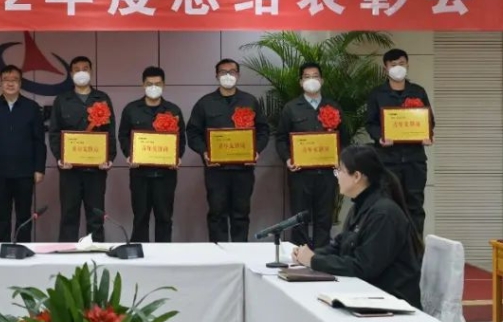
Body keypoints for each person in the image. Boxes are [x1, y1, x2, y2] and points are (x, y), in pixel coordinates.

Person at [292, 145, 423, 308]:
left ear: (356, 176)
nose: (337, 176)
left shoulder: (384, 214)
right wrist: (308, 255)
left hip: (391, 302)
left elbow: (363, 266)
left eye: (340, 171)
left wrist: (314, 261)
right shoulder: (360, 206)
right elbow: (339, 246)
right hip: (366, 294)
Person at [186, 58, 269, 243]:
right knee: (217, 214)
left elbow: (263, 130)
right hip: (216, 171)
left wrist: (256, 150)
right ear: (217, 76)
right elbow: (192, 133)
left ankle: (240, 253)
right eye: (223, 72)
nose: (228, 75)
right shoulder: (205, 103)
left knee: (241, 214)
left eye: (232, 72)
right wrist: (204, 152)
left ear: (238, 75)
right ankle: (219, 253)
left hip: (243, 170)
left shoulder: (249, 101)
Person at [275, 62, 350, 248]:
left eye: (315, 76)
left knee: (324, 218)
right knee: (299, 218)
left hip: (327, 174)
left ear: (322, 80)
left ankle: (321, 257)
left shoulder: (333, 106)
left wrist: (339, 159)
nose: (311, 80)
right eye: (307, 77)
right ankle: (299, 256)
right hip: (300, 174)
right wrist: (288, 159)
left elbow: (345, 138)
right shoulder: (291, 108)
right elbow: (281, 138)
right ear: (301, 82)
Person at [365, 49, 435, 237]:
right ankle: (390, 249)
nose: (398, 68)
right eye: (393, 64)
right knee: (388, 206)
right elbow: (370, 123)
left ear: (408, 65)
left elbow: (429, 120)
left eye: (402, 63)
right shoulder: (377, 94)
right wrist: (380, 137)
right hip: (387, 160)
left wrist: (428, 134)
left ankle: (415, 249)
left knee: (415, 206)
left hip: (414, 160)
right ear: (385, 68)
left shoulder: (418, 92)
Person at [49, 56, 116, 242]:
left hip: (96, 170)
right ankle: (67, 254)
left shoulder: (102, 98)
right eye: (77, 69)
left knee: (96, 216)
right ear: (71, 73)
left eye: (85, 69)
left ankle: (96, 253)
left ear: (91, 72)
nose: (81, 72)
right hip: (70, 170)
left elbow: (110, 132)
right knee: (69, 216)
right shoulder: (62, 100)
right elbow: (54, 132)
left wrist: (109, 157)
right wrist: (60, 157)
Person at [118, 67, 186, 243]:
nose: (153, 87)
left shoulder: (173, 110)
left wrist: (177, 157)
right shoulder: (131, 109)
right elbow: (123, 135)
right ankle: (140, 255)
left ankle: (163, 256)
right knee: (140, 218)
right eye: (149, 84)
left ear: (164, 84)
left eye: (157, 83)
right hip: (139, 173)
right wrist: (129, 154)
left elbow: (181, 139)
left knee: (165, 218)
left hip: (166, 174)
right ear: (143, 85)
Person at [0, 65, 47, 243]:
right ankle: (2, 248)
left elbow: (39, 141)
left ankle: (22, 248)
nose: (10, 84)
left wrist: (39, 168)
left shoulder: (32, 107)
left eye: (14, 80)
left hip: (25, 171)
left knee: (24, 215)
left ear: (20, 83)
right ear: (0, 83)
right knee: (2, 215)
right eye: (6, 80)